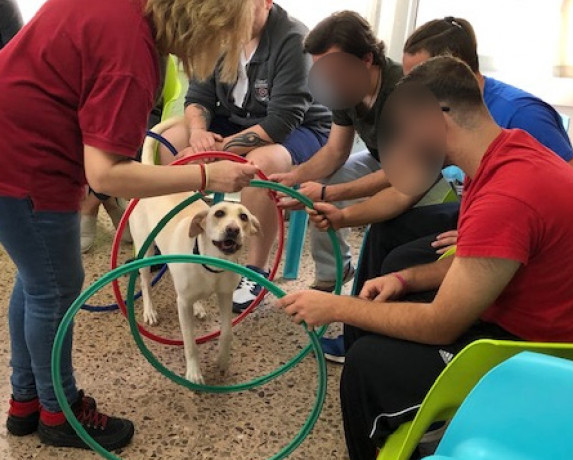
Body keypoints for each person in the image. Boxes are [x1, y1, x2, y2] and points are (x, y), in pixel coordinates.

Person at [278, 56, 573, 460]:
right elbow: (482, 260)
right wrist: (405, 280)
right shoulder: (505, 153)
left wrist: (334, 306)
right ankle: (422, 424)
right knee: (390, 298)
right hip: (535, 320)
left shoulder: (507, 193)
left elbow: (440, 325)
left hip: (553, 357)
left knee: (367, 363)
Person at [0, 0, 260, 451]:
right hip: (25, 160)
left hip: (20, 144)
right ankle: (58, 410)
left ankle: (27, 401)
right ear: (205, 20)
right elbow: (107, 175)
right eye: (220, 40)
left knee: (38, 280)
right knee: (57, 287)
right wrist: (206, 176)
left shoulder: (120, 11)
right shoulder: (132, 53)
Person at [310, 16, 573, 363]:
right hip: (486, 217)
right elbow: (406, 183)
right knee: (390, 239)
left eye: (420, 80)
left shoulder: (522, 117)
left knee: (383, 350)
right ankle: (365, 337)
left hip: (519, 239)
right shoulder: (475, 138)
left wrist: (494, 232)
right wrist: (342, 213)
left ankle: (382, 346)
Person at [157, 0, 331, 313]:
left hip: (299, 128)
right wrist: (198, 134)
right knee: (169, 142)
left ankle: (254, 270)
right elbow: (198, 97)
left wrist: (215, 152)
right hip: (238, 120)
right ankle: (178, 240)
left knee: (263, 164)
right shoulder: (217, 30)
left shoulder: (293, 39)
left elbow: (281, 122)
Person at [272, 11, 445, 295]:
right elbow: (335, 151)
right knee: (329, 179)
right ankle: (332, 275)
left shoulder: (403, 88)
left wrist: (328, 194)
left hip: (426, 171)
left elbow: (403, 171)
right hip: (381, 158)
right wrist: (293, 178)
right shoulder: (344, 88)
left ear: (366, 59)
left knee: (330, 191)